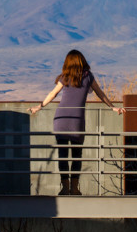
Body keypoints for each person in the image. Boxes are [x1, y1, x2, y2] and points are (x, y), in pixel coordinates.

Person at [29, 50, 123, 195]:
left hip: (60, 119)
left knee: (63, 155)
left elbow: (52, 94)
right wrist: (113, 107)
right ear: (82, 61)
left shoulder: (64, 77)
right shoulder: (88, 77)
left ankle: (65, 188)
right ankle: (74, 188)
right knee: (77, 154)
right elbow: (100, 93)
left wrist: (39, 106)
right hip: (77, 120)